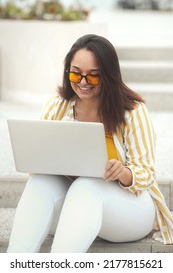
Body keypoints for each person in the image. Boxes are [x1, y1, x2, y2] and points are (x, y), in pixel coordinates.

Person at [7, 34, 173, 253]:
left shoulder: (132, 111)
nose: (82, 82)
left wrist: (123, 173)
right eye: (76, 74)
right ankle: (15, 262)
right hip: (76, 207)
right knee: (40, 183)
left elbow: (146, 174)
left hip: (129, 209)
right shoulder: (59, 106)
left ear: (108, 76)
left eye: (92, 77)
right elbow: (40, 159)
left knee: (86, 186)